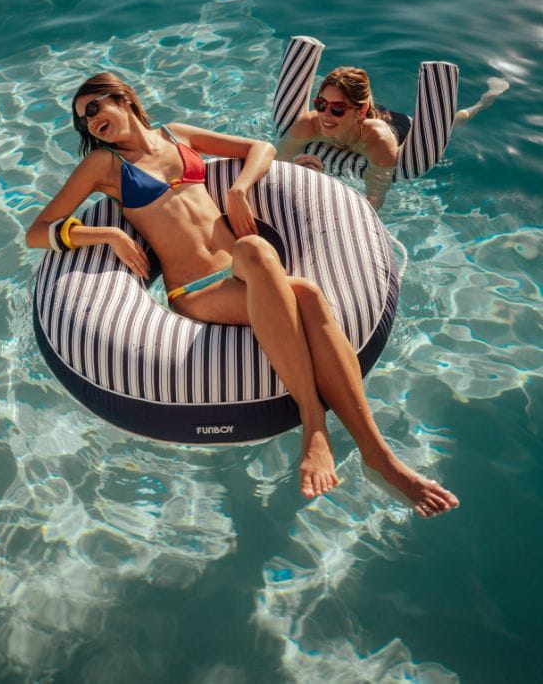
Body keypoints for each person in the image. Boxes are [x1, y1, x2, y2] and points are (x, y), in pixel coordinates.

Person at [26, 72, 459, 517]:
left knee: (306, 292)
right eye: (83, 120)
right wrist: (107, 236)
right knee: (257, 249)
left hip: (247, 274)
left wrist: (238, 189)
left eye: (95, 107)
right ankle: (314, 422)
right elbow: (36, 232)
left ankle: (379, 458)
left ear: (123, 98)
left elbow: (263, 149)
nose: (91, 121)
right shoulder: (103, 167)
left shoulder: (177, 135)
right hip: (195, 290)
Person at [276, 66, 400, 211]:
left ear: (362, 111)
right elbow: (277, 168)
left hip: (398, 124)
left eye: (337, 108)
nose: (325, 115)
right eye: (321, 104)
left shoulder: (379, 141)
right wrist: (300, 174)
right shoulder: (309, 125)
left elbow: (374, 202)